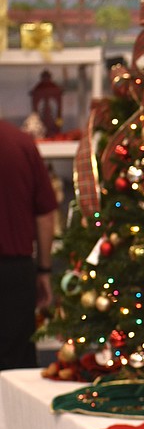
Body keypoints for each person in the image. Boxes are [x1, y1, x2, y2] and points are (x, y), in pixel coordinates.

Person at [0, 119, 58, 370]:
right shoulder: (21, 143)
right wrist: (44, 270)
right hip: (14, 273)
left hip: (14, 270)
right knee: (15, 368)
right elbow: (45, 215)